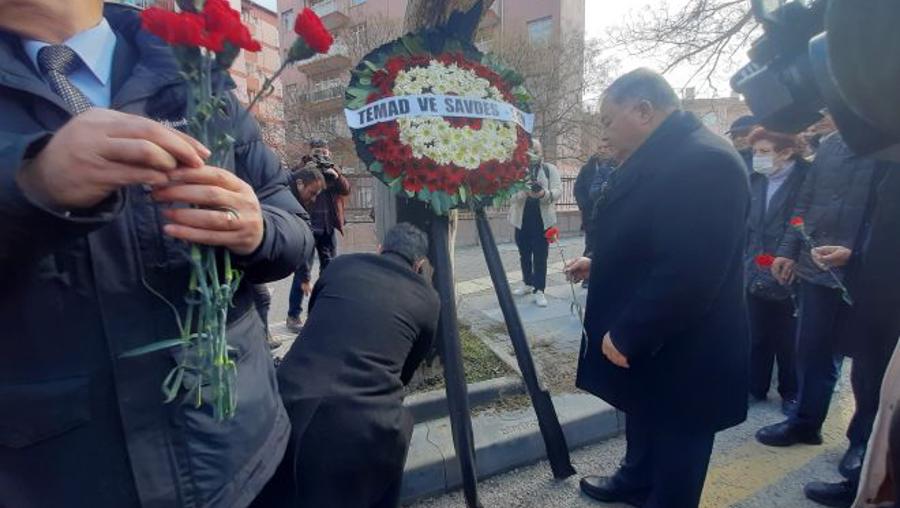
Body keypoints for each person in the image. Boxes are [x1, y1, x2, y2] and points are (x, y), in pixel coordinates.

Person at [0, 2, 313, 507]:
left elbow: (292, 222)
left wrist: (257, 229)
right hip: (57, 476)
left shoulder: (198, 79)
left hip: (243, 455)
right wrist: (29, 185)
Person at [564, 69, 750, 508]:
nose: (604, 133)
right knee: (644, 413)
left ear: (643, 110)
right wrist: (602, 262)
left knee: (680, 437)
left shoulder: (705, 160)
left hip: (686, 342)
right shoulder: (666, 153)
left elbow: (690, 270)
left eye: (608, 120)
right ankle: (635, 479)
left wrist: (631, 331)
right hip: (660, 339)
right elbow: (651, 235)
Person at [254, 223, 440, 508]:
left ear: (380, 249)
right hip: (365, 425)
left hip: (287, 398)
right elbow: (407, 369)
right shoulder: (428, 298)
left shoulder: (341, 266)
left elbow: (316, 316)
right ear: (420, 264)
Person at [757, 131, 886, 464]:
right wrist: (788, 250)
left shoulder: (889, 140)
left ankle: (862, 444)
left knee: (869, 366)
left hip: (871, 276)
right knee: (811, 350)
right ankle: (804, 423)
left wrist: (857, 253)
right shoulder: (831, 144)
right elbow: (805, 202)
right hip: (816, 269)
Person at [744, 128, 810, 415]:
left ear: (786, 152)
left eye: (764, 152)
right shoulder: (755, 180)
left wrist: (793, 257)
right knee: (755, 334)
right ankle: (754, 386)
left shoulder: (806, 179)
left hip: (789, 270)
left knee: (788, 339)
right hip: (755, 267)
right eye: (755, 152)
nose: (757, 158)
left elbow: (801, 224)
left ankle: (791, 392)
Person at [509, 139, 562, 308]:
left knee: (540, 256)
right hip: (522, 219)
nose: (532, 155)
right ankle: (527, 283)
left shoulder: (550, 169)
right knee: (524, 253)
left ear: (541, 153)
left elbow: (558, 191)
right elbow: (509, 197)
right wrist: (523, 192)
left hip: (542, 220)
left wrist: (542, 194)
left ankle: (539, 290)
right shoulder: (517, 170)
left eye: (536, 151)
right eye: (529, 151)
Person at [286, 166, 325, 333]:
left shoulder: (299, 197)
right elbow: (303, 245)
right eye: (312, 192)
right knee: (261, 296)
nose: (314, 199)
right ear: (300, 184)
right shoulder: (288, 199)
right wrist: (305, 277)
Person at [574, 145, 616, 258]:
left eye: (606, 147)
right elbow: (578, 189)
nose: (602, 150)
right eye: (599, 147)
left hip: (608, 214)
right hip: (590, 215)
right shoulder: (587, 168)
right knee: (590, 247)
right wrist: (584, 206)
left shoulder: (616, 166)